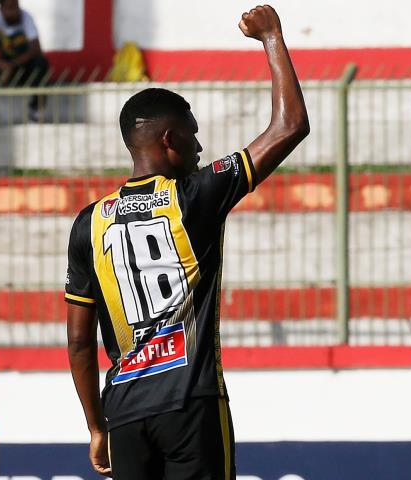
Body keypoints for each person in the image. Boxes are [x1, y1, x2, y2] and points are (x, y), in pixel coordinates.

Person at [65, 5, 309, 480]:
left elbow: (78, 340)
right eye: (194, 139)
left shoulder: (88, 222)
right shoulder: (195, 196)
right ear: (170, 140)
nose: (201, 151)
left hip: (126, 413)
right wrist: (272, 37)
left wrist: (98, 427)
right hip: (190, 403)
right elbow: (290, 126)